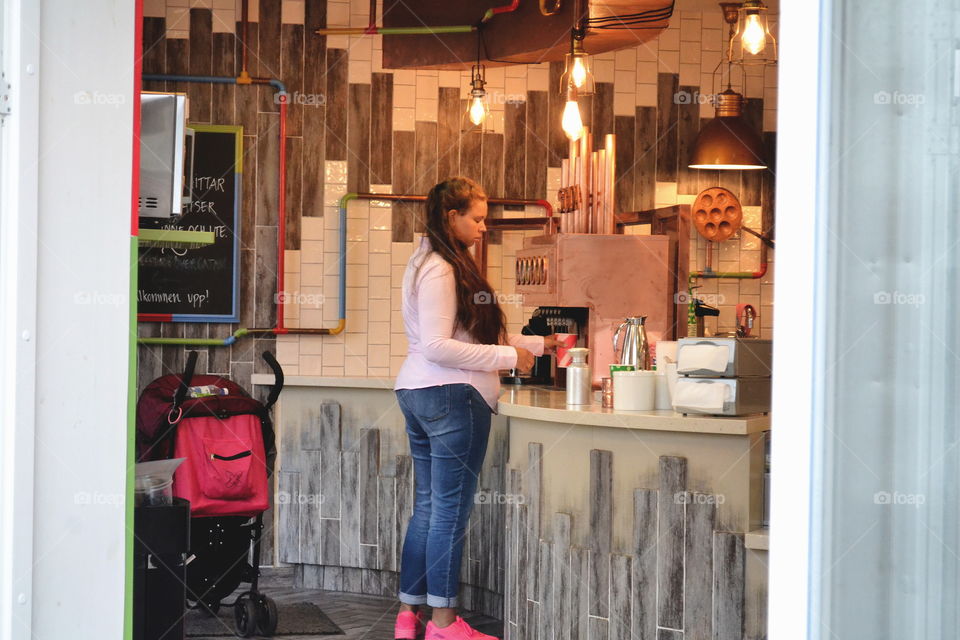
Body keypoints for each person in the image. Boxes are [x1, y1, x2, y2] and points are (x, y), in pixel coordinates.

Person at [393, 177, 559, 640]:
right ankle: (445, 626)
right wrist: (509, 358)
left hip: (420, 394)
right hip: (452, 397)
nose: (484, 227)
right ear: (452, 217)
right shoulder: (443, 269)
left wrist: (536, 344)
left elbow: (464, 339)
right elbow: (439, 347)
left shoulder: (429, 261)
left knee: (428, 509)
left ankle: (410, 619)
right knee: (447, 513)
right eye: (478, 218)